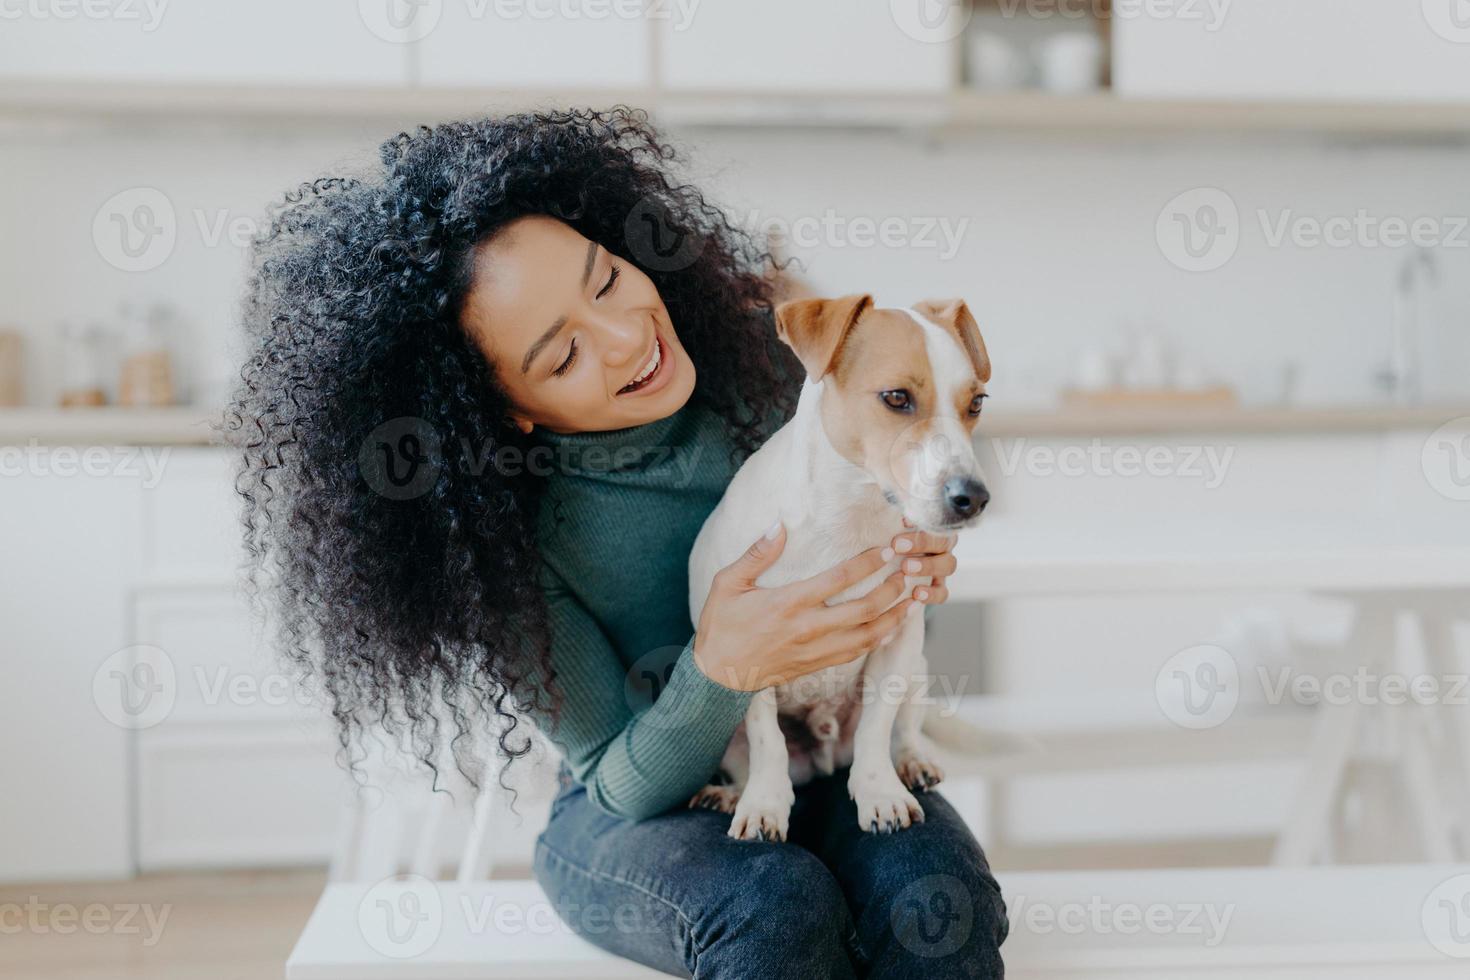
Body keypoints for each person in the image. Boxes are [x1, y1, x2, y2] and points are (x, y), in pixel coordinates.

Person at [225, 107, 1006, 978]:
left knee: (938, 905)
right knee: (776, 909)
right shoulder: (504, 545)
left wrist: (909, 570)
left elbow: (866, 606)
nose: (629, 336)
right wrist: (719, 668)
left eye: (606, 281)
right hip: (624, 815)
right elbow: (620, 782)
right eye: (563, 357)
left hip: (814, 751)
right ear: (503, 407)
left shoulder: (783, 372)